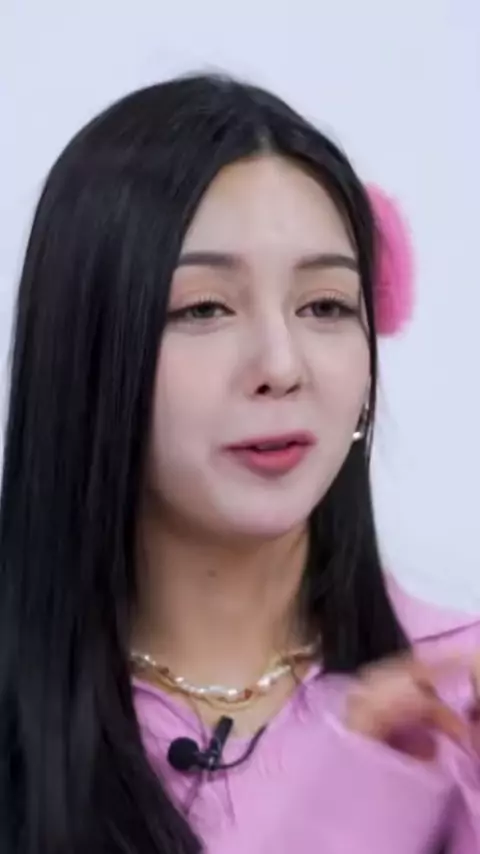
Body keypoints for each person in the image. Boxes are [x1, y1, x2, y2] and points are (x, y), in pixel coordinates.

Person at [0, 73, 478, 854]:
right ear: (85, 347)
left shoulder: (454, 694)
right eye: (204, 308)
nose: (281, 365)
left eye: (325, 305)